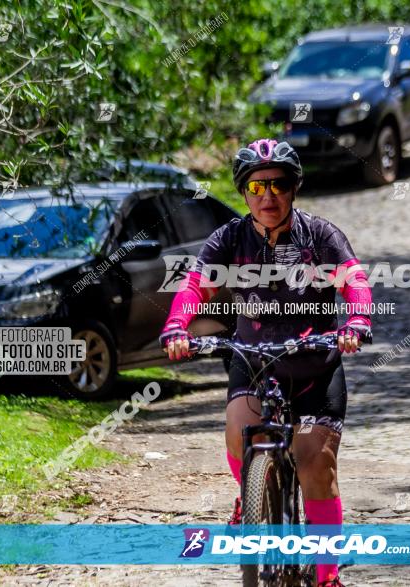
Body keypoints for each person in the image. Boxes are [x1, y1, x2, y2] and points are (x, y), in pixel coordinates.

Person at [159, 139, 372, 587]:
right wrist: (177, 326)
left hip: (315, 367)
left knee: (316, 465)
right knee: (239, 434)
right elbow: (195, 286)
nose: (267, 195)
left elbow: (354, 280)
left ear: (293, 188)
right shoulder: (229, 239)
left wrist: (356, 319)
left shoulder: (321, 236)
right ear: (244, 192)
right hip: (254, 361)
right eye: (256, 185)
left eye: (277, 185)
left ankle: (327, 575)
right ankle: (248, 496)